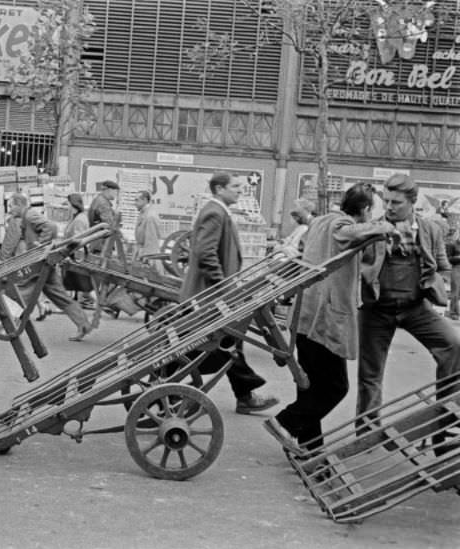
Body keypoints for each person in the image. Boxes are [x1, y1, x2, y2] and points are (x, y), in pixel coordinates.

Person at [264, 184, 395, 454]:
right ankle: (285, 422)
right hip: (324, 320)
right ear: (366, 209)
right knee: (336, 387)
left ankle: (310, 450)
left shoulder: (320, 221)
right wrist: (388, 227)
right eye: (375, 211)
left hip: (305, 314)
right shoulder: (341, 225)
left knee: (310, 385)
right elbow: (354, 231)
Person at [356, 174, 460, 426]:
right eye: (387, 201)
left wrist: (438, 282)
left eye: (396, 202)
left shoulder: (429, 229)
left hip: (416, 307)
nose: (390, 207)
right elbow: (353, 263)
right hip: (377, 309)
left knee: (453, 346)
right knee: (370, 374)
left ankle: (443, 415)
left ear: (412, 202)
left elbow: (442, 264)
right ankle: (367, 433)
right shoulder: (372, 228)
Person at [180, 172, 278, 415]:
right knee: (224, 342)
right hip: (209, 296)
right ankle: (245, 393)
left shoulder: (220, 211)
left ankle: (245, 394)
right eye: (235, 186)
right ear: (220, 189)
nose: (239, 190)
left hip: (210, 295)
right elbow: (206, 253)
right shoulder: (215, 212)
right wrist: (222, 287)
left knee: (227, 341)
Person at [2, 193, 93, 342]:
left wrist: (41, 245)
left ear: (19, 205)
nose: (10, 210)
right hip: (43, 262)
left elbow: (51, 226)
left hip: (40, 262)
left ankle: (7, 320)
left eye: (12, 206)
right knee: (59, 295)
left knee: (20, 289)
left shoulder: (30, 215)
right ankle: (83, 324)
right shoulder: (26, 216)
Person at [63, 193, 94, 309]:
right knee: (75, 281)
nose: (66, 207)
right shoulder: (76, 217)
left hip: (75, 255)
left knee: (79, 281)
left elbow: (78, 240)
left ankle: (93, 301)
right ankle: (77, 301)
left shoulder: (79, 220)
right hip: (73, 254)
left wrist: (74, 257)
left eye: (68, 204)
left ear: (73, 204)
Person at [133, 190, 162, 272]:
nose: (134, 203)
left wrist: (146, 261)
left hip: (149, 259)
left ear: (145, 200)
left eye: (137, 200)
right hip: (142, 254)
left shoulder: (150, 217)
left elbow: (151, 242)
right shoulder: (143, 213)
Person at [87, 180, 119, 254]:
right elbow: (110, 224)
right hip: (101, 244)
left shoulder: (98, 200)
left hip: (96, 241)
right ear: (109, 190)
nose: (116, 194)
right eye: (115, 192)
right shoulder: (103, 204)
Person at [445, 227, 460, 320]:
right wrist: (458, 258)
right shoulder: (452, 244)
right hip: (457, 268)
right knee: (455, 291)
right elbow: (449, 259)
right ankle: (453, 312)